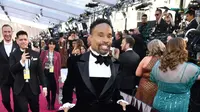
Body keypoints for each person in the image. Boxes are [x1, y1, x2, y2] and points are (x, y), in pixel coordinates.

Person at [61, 18, 138, 112]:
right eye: (100, 35)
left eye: (109, 36)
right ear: (90, 38)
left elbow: (114, 90)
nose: (106, 40)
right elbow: (68, 86)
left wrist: (119, 99)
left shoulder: (116, 64)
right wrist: (67, 103)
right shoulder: (75, 61)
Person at [150, 37, 200, 112]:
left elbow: (153, 80)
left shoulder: (158, 65)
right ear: (183, 49)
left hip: (158, 104)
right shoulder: (191, 69)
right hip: (178, 107)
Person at [9, 30, 47, 112]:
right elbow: (12, 69)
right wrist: (21, 62)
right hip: (20, 88)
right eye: (21, 39)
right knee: (23, 109)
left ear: (28, 40)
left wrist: (44, 86)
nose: (23, 41)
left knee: (35, 109)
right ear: (17, 41)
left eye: (25, 39)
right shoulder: (13, 55)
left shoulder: (35, 54)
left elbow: (40, 72)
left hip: (33, 87)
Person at [135, 39, 165, 106]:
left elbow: (137, 73)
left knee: (141, 106)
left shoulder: (146, 59)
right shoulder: (165, 61)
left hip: (144, 87)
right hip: (158, 88)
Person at [0, 24, 19, 112]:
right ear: (2, 32)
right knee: (5, 100)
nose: (7, 34)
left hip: (16, 78)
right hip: (3, 79)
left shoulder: (18, 46)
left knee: (17, 100)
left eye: (9, 32)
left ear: (12, 32)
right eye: (5, 32)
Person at [40, 39, 61, 110]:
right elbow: (40, 62)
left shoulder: (57, 54)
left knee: (54, 89)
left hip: (54, 74)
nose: (51, 45)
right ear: (48, 45)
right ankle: (48, 102)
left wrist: (59, 75)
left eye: (53, 44)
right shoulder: (44, 52)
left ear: (55, 45)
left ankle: (52, 104)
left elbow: (59, 65)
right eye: (50, 44)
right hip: (46, 74)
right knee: (47, 89)